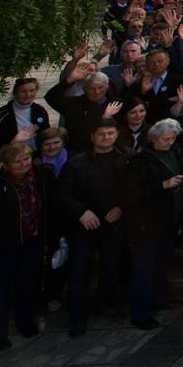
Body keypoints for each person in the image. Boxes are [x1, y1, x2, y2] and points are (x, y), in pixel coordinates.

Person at [0, 143, 58, 351]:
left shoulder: (41, 176)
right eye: (18, 161)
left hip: (30, 242)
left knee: (27, 285)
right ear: (6, 165)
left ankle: (25, 323)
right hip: (0, 246)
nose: (24, 164)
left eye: (26, 159)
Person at [58, 118, 128, 337]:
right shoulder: (76, 162)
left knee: (110, 267)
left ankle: (104, 305)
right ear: (92, 136)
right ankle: (77, 316)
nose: (106, 138)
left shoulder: (127, 159)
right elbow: (61, 194)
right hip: (84, 226)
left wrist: (121, 207)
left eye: (110, 133)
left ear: (116, 134)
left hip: (113, 225)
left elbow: (135, 188)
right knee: (79, 271)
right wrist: (81, 212)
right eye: (101, 134)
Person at [123, 119, 183, 329]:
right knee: (144, 268)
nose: (169, 142)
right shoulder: (141, 161)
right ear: (154, 138)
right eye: (165, 139)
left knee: (161, 265)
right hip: (147, 223)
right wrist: (163, 184)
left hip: (169, 220)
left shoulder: (176, 151)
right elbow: (132, 193)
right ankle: (141, 314)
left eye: (172, 138)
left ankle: (160, 300)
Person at [0, 77, 50, 160]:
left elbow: (48, 136)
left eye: (32, 90)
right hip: (10, 162)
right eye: (23, 91)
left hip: (36, 160)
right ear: (15, 93)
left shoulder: (40, 111)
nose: (28, 94)